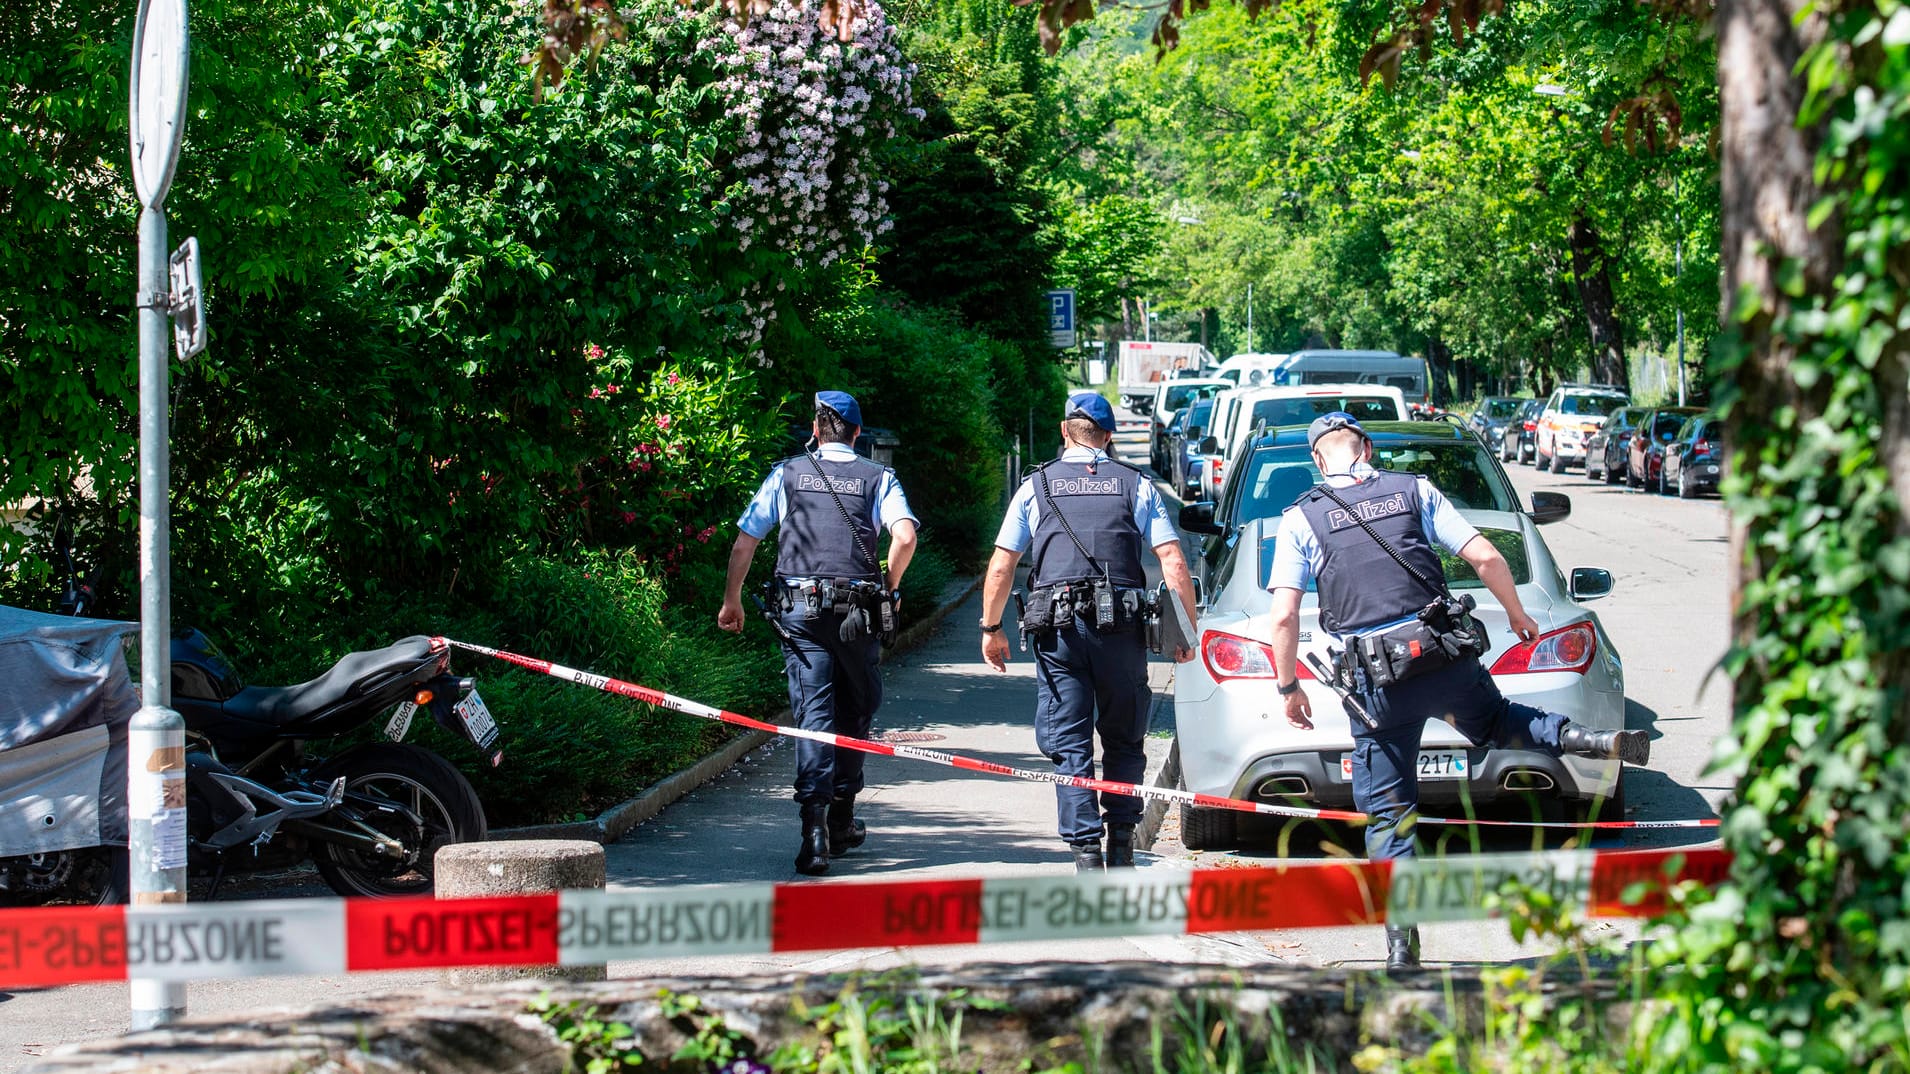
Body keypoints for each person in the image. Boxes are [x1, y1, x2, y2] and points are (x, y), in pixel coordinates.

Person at [1266, 412, 1651, 969]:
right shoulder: (1415, 489)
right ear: (1367, 448)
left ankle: (1403, 948)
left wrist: (1288, 686)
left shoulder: (1302, 518)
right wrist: (1518, 615)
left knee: (1389, 818)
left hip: (1380, 687)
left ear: (1318, 461)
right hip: (1444, 657)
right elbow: (1486, 556)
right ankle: (1590, 739)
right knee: (1497, 722)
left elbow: (1283, 617)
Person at [979, 392, 1200, 872]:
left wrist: (992, 628)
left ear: (1064, 431)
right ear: (1110, 436)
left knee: (1069, 738)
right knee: (1124, 736)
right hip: (1121, 632)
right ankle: (1121, 840)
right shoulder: (1135, 485)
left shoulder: (1034, 487)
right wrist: (1188, 631)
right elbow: (1173, 560)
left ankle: (1084, 852)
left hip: (1058, 632)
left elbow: (1002, 566)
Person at [718, 391, 919, 877]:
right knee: (857, 709)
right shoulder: (878, 478)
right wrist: (889, 586)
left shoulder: (785, 474)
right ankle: (843, 817)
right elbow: (906, 536)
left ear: (814, 429)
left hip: (801, 615)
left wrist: (733, 600)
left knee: (813, 717)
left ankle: (815, 837)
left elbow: (747, 539)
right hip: (857, 614)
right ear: (856, 434)